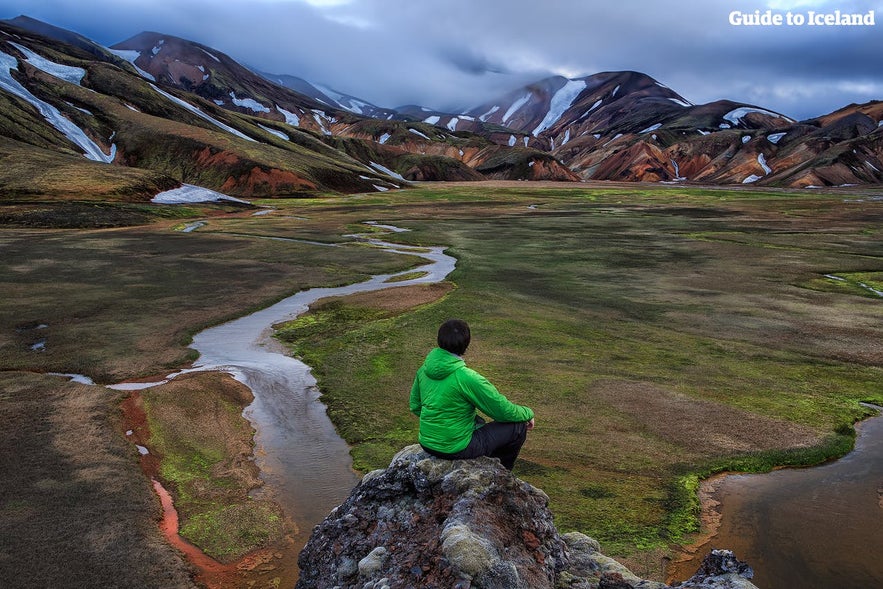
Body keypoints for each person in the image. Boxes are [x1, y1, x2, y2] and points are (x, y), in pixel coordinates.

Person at [409, 318, 534, 471]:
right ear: (466, 344)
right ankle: (500, 472)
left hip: (427, 444)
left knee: (479, 422)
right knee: (518, 426)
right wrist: (527, 413)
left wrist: (441, 426)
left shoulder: (423, 370)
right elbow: (501, 411)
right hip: (457, 448)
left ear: (439, 341)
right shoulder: (467, 377)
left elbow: (415, 406)